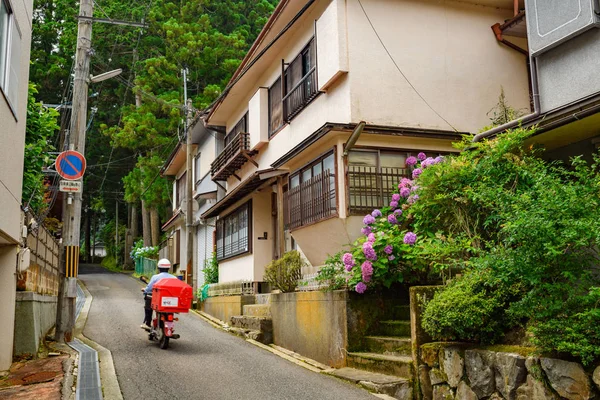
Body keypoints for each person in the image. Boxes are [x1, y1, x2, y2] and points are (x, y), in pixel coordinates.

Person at [141, 258, 177, 330]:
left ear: (159, 268)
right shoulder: (174, 278)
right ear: (168, 268)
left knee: (148, 302)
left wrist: (145, 290)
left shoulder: (155, 277)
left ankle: (147, 323)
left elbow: (149, 289)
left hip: (159, 300)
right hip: (171, 301)